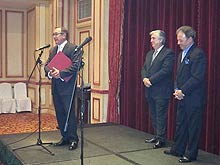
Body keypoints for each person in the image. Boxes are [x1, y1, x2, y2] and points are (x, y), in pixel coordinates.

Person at [164, 26, 207, 163]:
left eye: (181, 40)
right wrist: (177, 90)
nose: (178, 43)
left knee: (193, 127)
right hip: (181, 96)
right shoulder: (181, 54)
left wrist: (183, 91)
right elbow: (178, 76)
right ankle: (178, 149)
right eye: (177, 40)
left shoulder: (198, 54)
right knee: (180, 124)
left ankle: (190, 153)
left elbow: (197, 77)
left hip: (193, 98)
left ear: (190, 39)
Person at [44, 27, 83, 150]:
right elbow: (47, 65)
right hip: (56, 86)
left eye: (57, 34)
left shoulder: (74, 48)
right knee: (60, 113)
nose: (54, 36)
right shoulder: (53, 50)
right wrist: (50, 73)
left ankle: (73, 139)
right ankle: (64, 137)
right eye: (53, 34)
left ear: (64, 35)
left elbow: (76, 66)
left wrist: (61, 73)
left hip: (67, 87)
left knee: (69, 113)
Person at [141, 30, 175, 149]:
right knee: (153, 115)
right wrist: (144, 78)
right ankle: (156, 135)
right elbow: (144, 68)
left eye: (154, 38)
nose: (151, 41)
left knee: (160, 115)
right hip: (150, 90)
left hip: (161, 91)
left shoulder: (168, 53)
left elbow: (166, 71)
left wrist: (151, 80)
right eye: (151, 38)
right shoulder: (150, 53)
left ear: (161, 40)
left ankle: (161, 139)